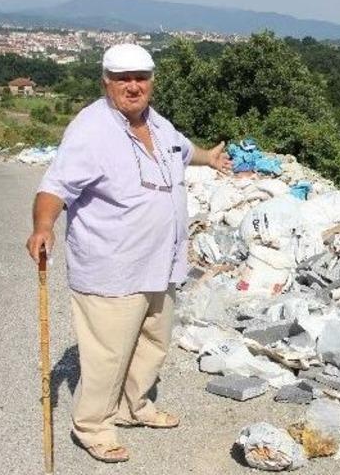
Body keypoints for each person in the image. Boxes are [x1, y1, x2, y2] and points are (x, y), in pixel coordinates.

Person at [25, 44, 232, 463]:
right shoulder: (91, 130)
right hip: (113, 267)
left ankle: (134, 406)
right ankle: (92, 426)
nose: (134, 86)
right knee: (108, 353)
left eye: (141, 77)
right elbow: (55, 187)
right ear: (107, 82)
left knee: (153, 340)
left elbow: (181, 150)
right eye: (124, 79)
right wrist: (43, 226)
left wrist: (208, 157)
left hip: (161, 262)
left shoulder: (157, 124)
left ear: (151, 81)